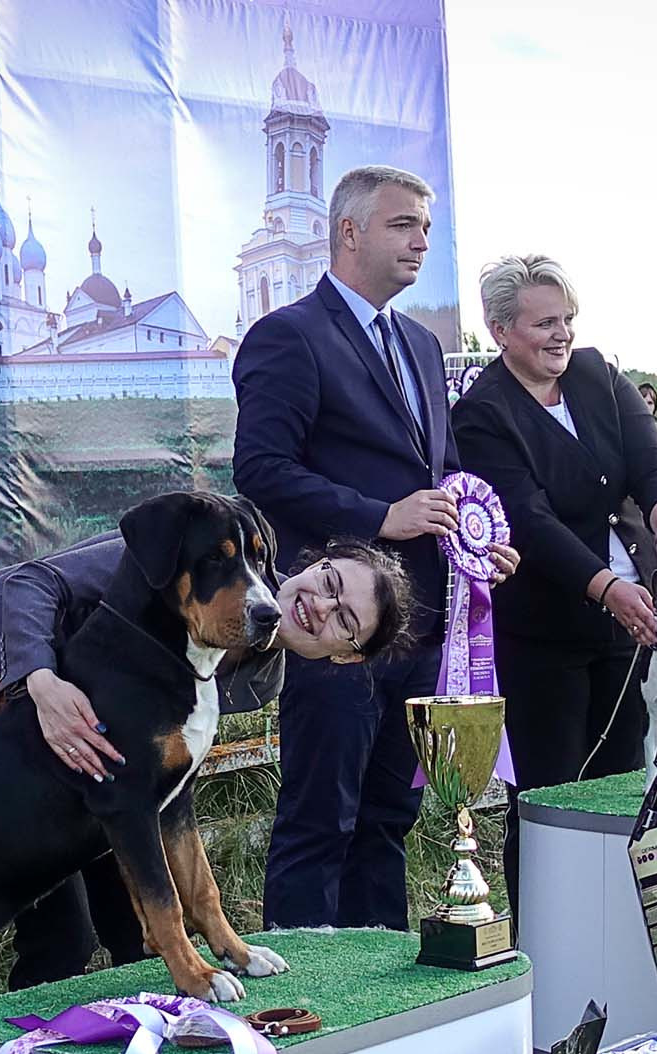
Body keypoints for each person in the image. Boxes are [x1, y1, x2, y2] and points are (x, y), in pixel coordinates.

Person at [0, 528, 413, 988]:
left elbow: (149, 777)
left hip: (91, 758)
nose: (321, 606)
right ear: (313, 562)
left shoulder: (261, 681)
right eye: (329, 581)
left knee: (137, 935)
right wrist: (40, 682)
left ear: (346, 657)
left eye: (345, 619)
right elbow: (34, 582)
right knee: (62, 936)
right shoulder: (208, 549)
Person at [232, 164, 518, 931]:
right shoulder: (287, 337)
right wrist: (377, 516)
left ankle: (379, 994)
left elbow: (442, 470)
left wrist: (475, 537)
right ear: (349, 232)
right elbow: (259, 470)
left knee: (389, 818)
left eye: (426, 228)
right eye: (403, 226)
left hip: (418, 626)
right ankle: (305, 1004)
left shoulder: (423, 347)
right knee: (321, 820)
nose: (421, 242)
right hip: (334, 626)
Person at [454, 255, 657, 917]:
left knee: (627, 789)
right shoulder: (483, 413)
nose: (561, 334)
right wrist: (606, 587)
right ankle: (546, 936)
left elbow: (653, 466)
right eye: (544, 323)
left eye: (567, 319)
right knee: (550, 798)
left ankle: (623, 923)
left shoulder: (597, 375)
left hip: (629, 622)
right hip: (543, 636)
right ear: (500, 331)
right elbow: (527, 518)